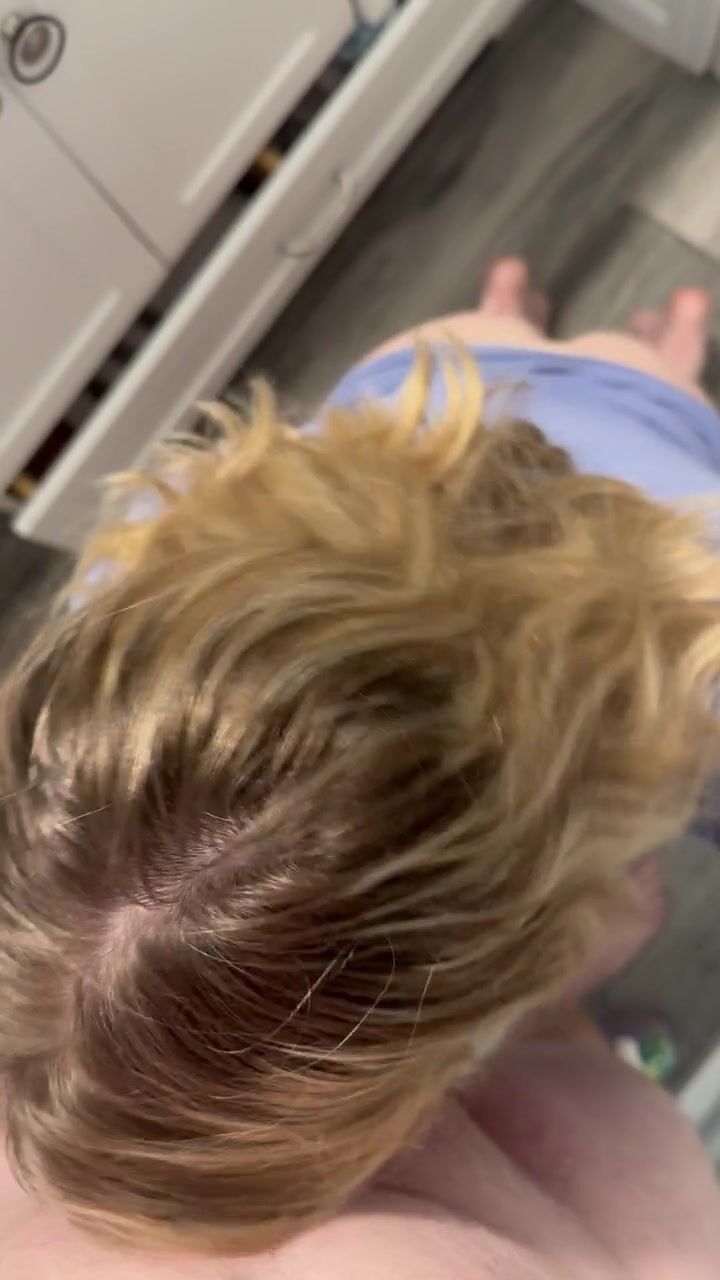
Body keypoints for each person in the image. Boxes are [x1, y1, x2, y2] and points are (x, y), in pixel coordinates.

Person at [2, 260, 720, 1279]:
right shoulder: (129, 581)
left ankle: (652, 339)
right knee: (536, 350)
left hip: (652, 455)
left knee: (649, 379)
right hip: (410, 398)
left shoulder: (692, 650)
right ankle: (567, 325)